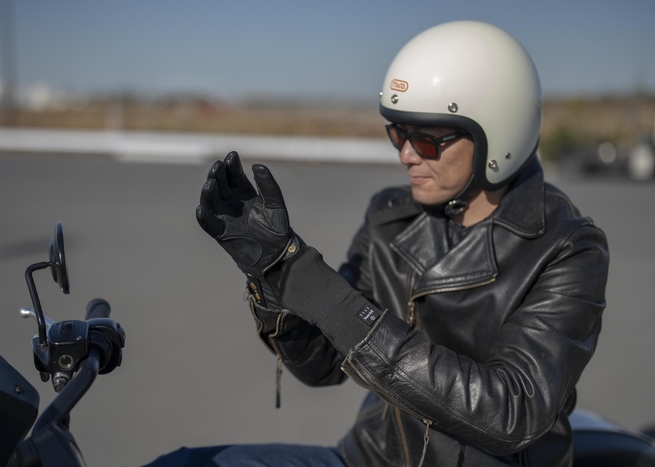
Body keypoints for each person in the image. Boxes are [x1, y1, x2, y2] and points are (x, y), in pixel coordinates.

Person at [149, 20, 609, 467]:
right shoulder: (390, 217)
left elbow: (513, 412)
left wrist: (319, 289)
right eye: (397, 132)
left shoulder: (566, 248)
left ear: (499, 134)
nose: (405, 155)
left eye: (426, 140)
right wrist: (274, 276)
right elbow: (322, 365)